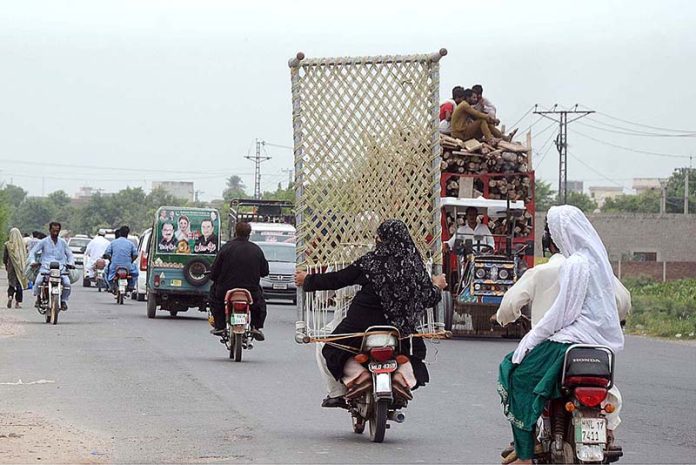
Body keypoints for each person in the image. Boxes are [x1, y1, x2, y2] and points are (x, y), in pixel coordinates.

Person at [496, 205, 624, 464]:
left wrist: (531, 339)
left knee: (513, 371)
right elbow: (621, 302)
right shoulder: (599, 263)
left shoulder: (576, 264)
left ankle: (524, 454)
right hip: (600, 349)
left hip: (572, 340)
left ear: (558, 235)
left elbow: (563, 313)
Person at [294, 219, 447, 408]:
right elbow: (429, 298)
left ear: (380, 238)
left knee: (331, 349)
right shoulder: (415, 265)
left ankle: (357, 377)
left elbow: (338, 279)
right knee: (415, 353)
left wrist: (307, 280)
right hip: (401, 331)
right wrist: (438, 286)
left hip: (362, 325)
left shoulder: (370, 261)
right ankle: (401, 377)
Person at [209, 222, 269, 341]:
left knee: (214, 299)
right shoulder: (256, 250)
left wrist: (214, 277)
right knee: (259, 304)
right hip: (251, 290)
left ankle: (220, 326)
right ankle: (256, 326)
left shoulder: (226, 248)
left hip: (225, 289)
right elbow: (265, 271)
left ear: (235, 232)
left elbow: (215, 271)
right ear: (249, 234)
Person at [29, 222, 75, 311]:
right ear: (50, 230)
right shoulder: (43, 241)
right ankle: (38, 299)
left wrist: (71, 263)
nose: (55, 233)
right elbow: (32, 252)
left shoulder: (63, 242)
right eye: (53, 231)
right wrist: (33, 261)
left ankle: (63, 301)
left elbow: (69, 254)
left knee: (67, 284)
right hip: (45, 268)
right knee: (38, 282)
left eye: (57, 231)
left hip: (60, 268)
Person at [103, 226, 138, 292]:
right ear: (127, 234)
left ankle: (111, 287)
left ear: (120, 233)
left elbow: (107, 253)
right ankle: (131, 286)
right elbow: (135, 254)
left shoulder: (113, 243)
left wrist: (111, 260)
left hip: (114, 265)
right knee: (135, 273)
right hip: (128, 266)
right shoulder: (131, 244)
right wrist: (131, 261)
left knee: (106, 272)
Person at [3, 228, 28, 308]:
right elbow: (25, 256)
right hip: (20, 267)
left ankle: (10, 296)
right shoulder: (22, 244)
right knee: (19, 284)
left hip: (11, 267)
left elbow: (5, 257)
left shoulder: (7, 245)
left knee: (11, 283)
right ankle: (17, 303)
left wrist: (6, 265)